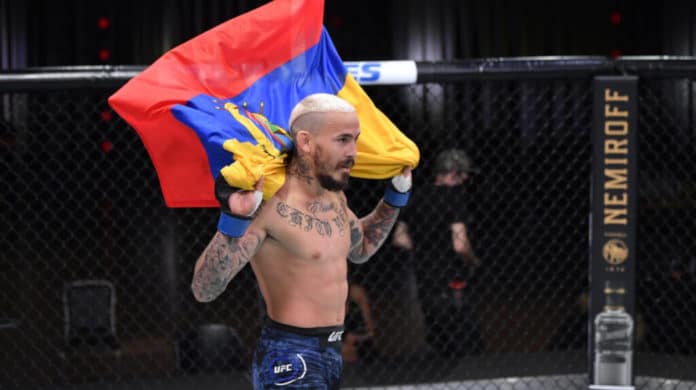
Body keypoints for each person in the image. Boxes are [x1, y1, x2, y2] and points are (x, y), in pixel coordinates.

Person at [190, 93, 413, 389]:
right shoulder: (269, 205)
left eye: (356, 139)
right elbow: (204, 289)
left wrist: (394, 198)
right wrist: (232, 222)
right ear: (306, 142)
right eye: (343, 140)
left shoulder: (334, 196)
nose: (354, 152)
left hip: (332, 351)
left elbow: (359, 249)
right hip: (289, 357)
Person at [395, 148, 483, 357]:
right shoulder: (455, 196)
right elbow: (459, 244)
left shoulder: (416, 195)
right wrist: (473, 261)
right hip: (451, 275)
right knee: (463, 335)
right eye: (464, 175)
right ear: (454, 174)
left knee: (436, 334)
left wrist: (425, 248)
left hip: (423, 275)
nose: (466, 180)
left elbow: (400, 239)